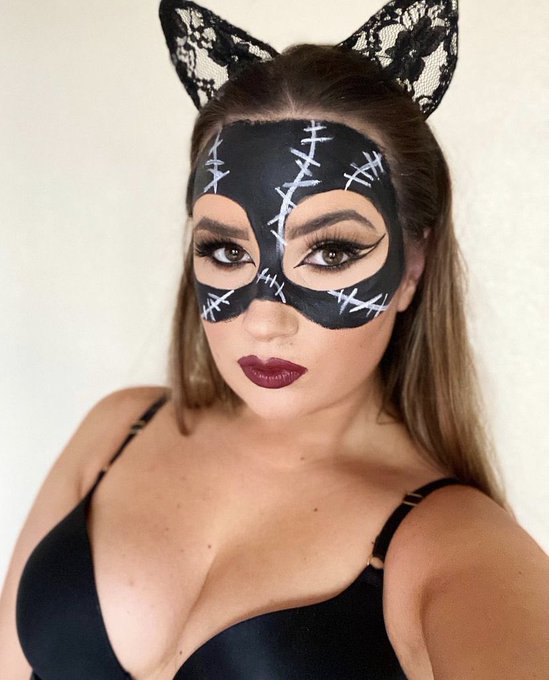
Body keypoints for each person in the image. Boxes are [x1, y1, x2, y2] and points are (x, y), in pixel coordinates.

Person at [1, 0, 548, 678]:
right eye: (226, 251)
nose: (263, 320)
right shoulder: (116, 432)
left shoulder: (458, 550)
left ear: (413, 267)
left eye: (330, 252)